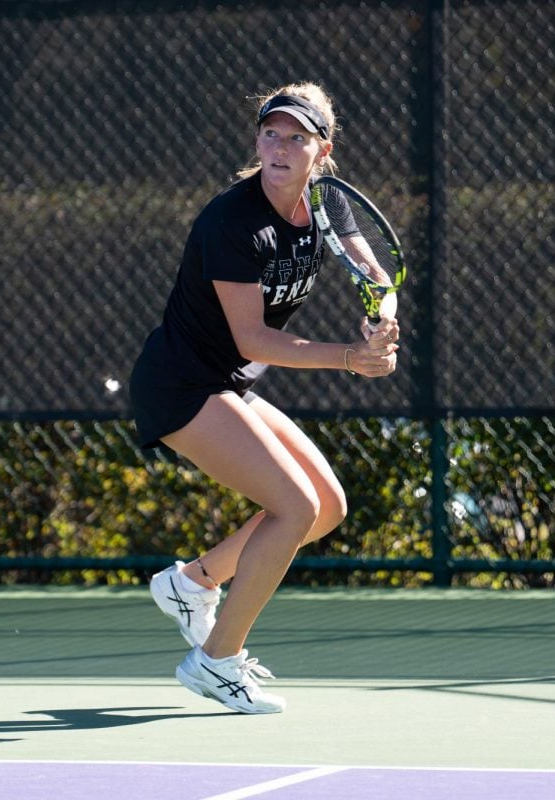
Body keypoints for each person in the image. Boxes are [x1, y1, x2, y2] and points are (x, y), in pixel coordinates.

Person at [129, 82, 400, 714]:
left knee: (326, 506)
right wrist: (350, 359)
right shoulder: (232, 221)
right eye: (270, 134)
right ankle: (215, 662)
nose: (280, 147)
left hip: (229, 382)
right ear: (257, 142)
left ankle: (192, 583)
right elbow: (253, 336)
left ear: (322, 151)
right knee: (293, 505)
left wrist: (381, 314)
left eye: (296, 138)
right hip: (183, 383)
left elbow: (371, 273)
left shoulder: (327, 203)